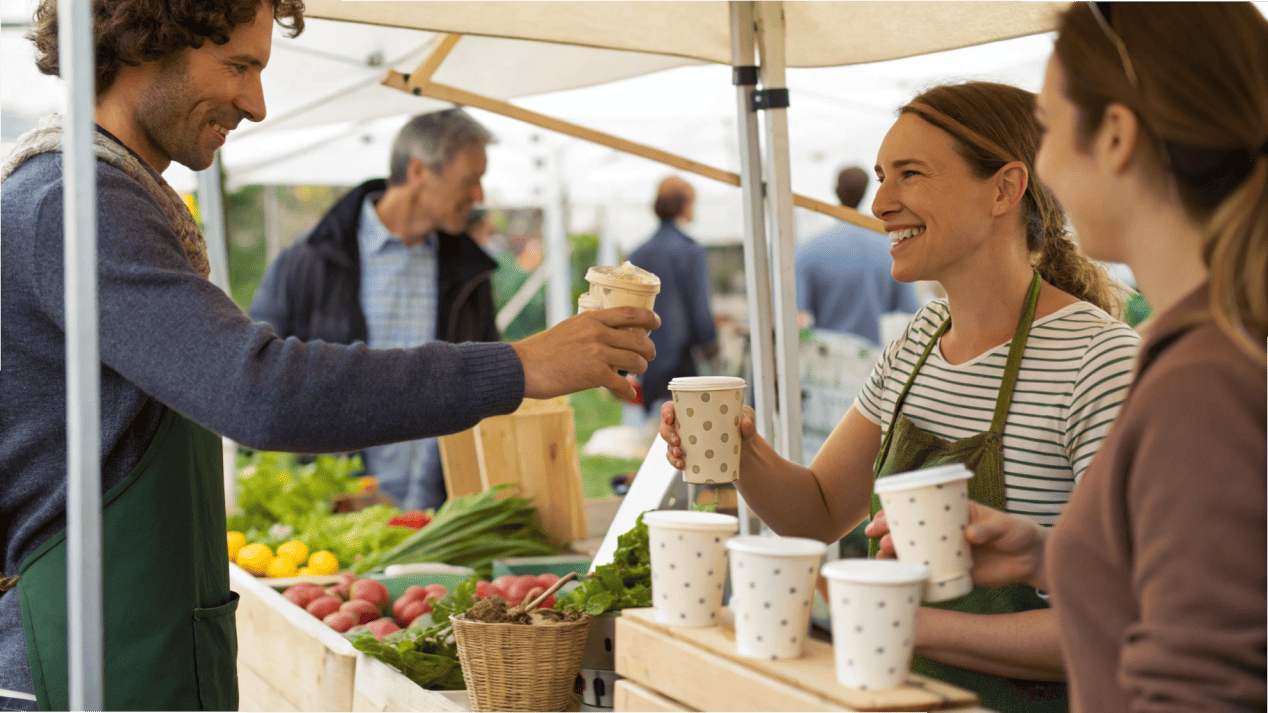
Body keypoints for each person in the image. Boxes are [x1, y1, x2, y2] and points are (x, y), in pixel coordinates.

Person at [0, 1, 657, 710]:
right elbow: (259, 389)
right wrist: (520, 364)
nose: (254, 102)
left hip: (124, 645)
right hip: (72, 670)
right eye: (239, 66)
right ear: (140, 45)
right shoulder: (75, 204)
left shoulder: (107, 197)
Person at [663, 81, 1142, 711]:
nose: (882, 202)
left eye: (910, 174)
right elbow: (819, 508)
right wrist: (739, 447)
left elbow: (1130, 625)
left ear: (1004, 189)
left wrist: (894, 624)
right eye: (883, 176)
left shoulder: (1098, 361)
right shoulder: (918, 340)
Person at [884, 3, 1266, 709]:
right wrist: (1048, 555)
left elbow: (1201, 686)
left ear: (1116, 135)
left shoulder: (1203, 377)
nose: (1046, 167)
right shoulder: (1213, 341)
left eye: (1053, 130)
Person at [249, 109, 499, 512]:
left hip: (438, 510)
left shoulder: (472, 276)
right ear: (418, 171)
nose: (478, 196)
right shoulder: (308, 261)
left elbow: (483, 389)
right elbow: (258, 373)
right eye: (470, 180)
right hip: (335, 510)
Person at [795, 166, 921, 345]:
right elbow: (910, 313)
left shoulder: (807, 251)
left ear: (836, 191)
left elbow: (799, 321)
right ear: (866, 191)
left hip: (826, 366)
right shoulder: (893, 250)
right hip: (879, 365)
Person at [628, 175, 719, 418]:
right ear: (685, 204)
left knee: (657, 433)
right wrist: (711, 344)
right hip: (681, 362)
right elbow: (700, 312)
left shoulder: (637, 254)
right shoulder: (690, 251)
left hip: (648, 361)